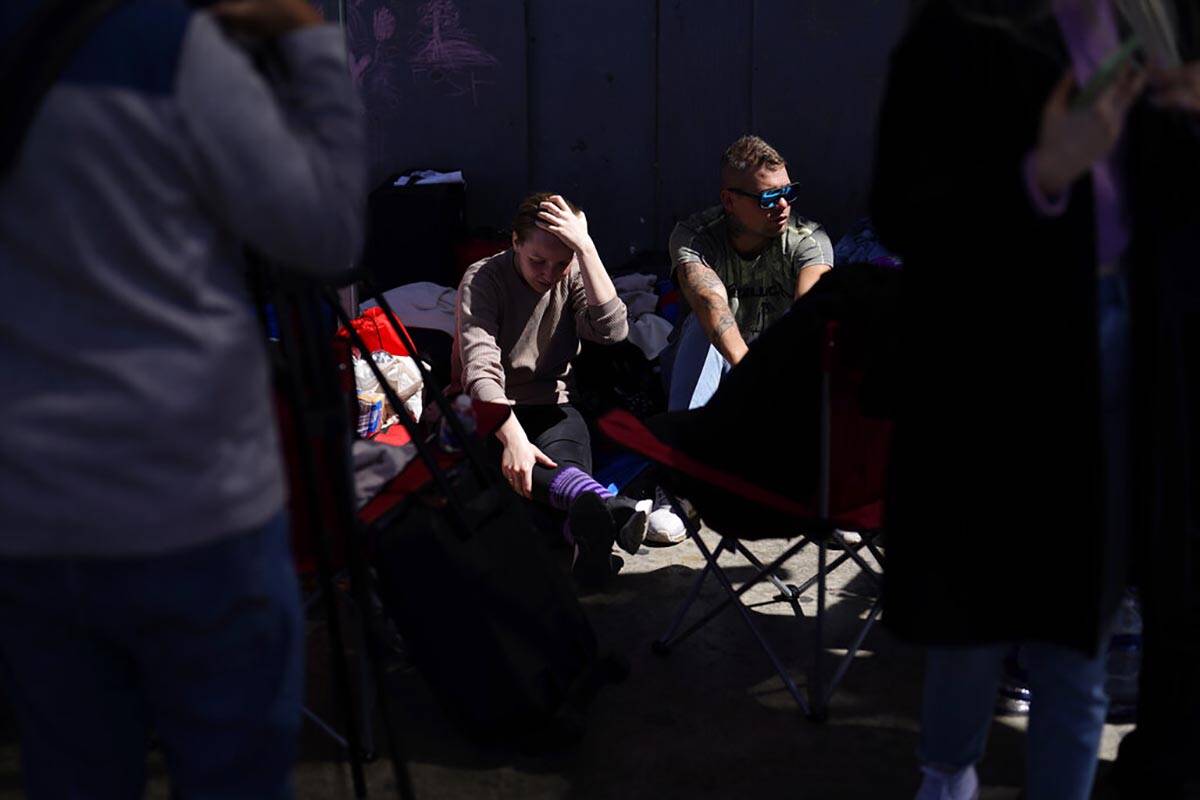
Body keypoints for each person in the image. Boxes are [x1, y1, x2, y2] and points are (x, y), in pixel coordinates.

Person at [0, 0, 364, 796]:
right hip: (194, 508)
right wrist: (305, 37)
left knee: (73, 775)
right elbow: (328, 234)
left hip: (30, 514)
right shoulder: (171, 47)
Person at [870, 1, 1200, 798]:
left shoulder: (1153, 19)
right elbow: (902, 210)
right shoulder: (958, 28)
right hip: (996, 355)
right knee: (977, 615)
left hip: (1126, 342)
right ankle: (947, 776)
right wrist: (1041, 174)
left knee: (1082, 625)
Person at [451, 192, 649, 586]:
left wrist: (587, 250)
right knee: (518, 475)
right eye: (537, 261)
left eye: (561, 263)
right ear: (514, 242)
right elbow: (480, 370)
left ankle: (584, 524)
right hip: (490, 410)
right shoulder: (483, 279)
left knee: (562, 470)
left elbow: (613, 331)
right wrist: (513, 438)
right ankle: (604, 509)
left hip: (553, 404)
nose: (548, 273)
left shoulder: (572, 273)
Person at [648, 135, 834, 543]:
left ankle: (820, 488)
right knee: (706, 325)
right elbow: (709, 304)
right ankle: (680, 488)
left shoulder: (807, 237)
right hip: (709, 376)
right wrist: (754, 376)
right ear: (730, 200)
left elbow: (810, 312)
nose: (783, 205)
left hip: (775, 381)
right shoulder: (696, 236)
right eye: (769, 198)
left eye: (789, 192)